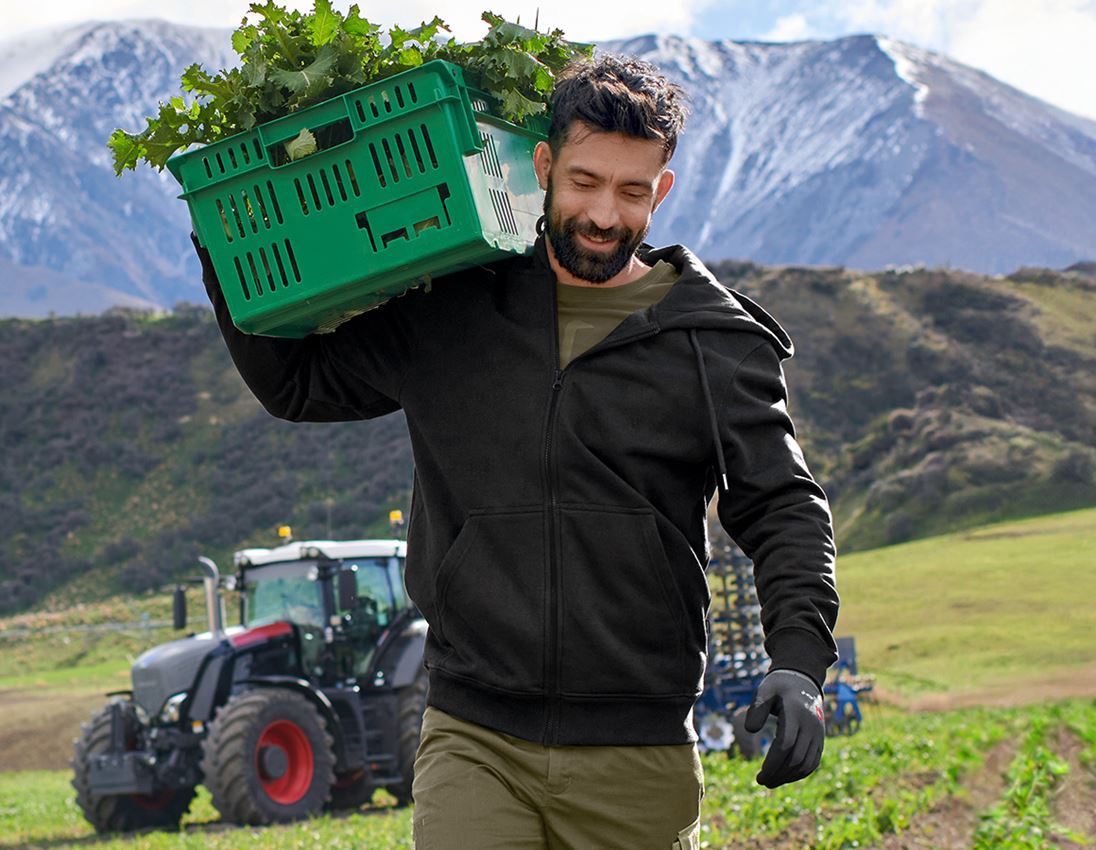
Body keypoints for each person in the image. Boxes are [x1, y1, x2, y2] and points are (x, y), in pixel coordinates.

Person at [195, 53, 838, 850]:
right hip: (475, 734)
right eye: (585, 182)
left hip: (636, 751)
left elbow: (783, 506)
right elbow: (298, 386)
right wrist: (229, 248)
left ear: (661, 193)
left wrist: (799, 661)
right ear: (542, 166)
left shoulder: (715, 343)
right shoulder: (453, 309)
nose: (605, 213)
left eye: (632, 192)